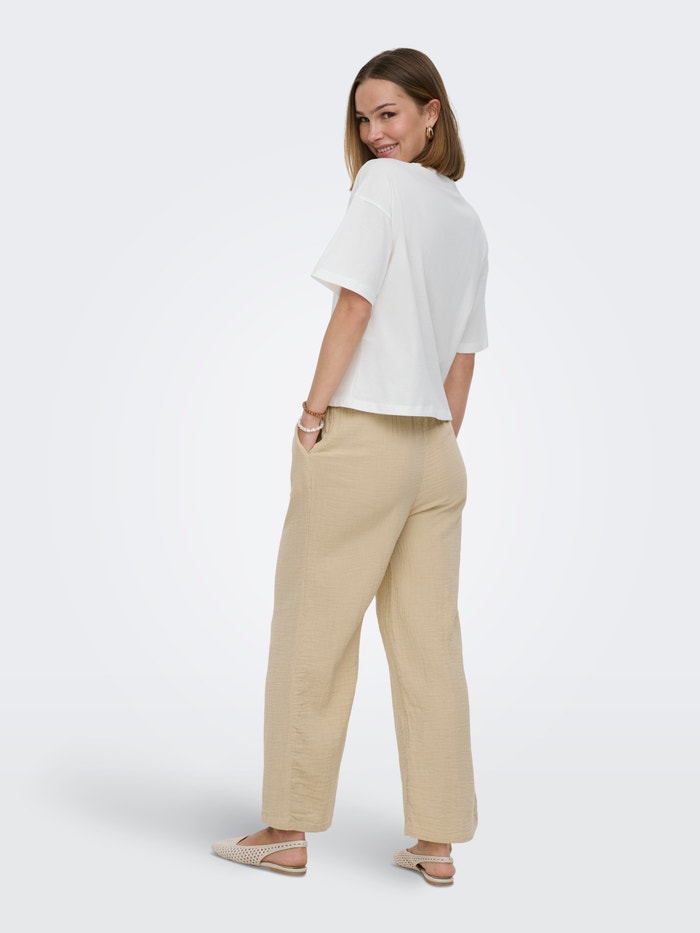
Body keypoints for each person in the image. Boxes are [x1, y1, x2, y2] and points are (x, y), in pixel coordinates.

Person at [212, 47, 489, 887]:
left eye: (389, 114)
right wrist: (435, 444)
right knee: (430, 646)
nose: (373, 134)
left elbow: (355, 304)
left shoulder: (382, 187)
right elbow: (463, 358)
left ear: (432, 111)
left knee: (313, 631)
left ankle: (285, 828)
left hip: (363, 434)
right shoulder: (465, 217)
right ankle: (436, 842)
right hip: (435, 450)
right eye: (363, 120)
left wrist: (312, 412)